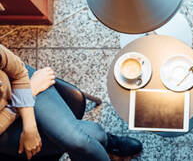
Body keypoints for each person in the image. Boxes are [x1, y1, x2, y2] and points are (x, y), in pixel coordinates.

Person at [0, 44, 142, 160]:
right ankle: (106, 142)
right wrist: (29, 94)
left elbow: (18, 71)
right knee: (92, 135)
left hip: (23, 83)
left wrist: (29, 124)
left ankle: (107, 143)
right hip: (5, 126)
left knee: (78, 140)